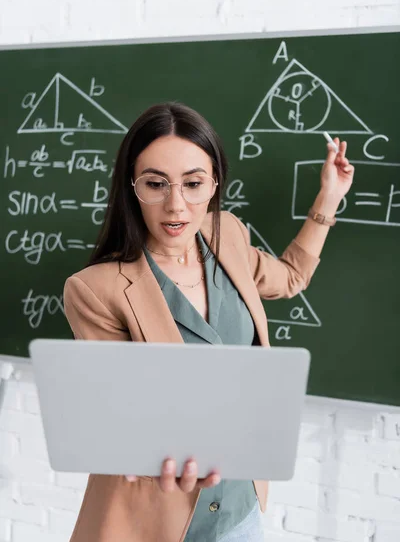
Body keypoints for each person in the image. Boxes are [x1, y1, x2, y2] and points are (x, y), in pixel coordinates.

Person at [63, 102, 354, 542]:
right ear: (132, 187)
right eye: (156, 184)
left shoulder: (228, 234)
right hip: (155, 520)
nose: (176, 205)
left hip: (240, 508)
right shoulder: (95, 290)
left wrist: (329, 197)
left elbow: (290, 277)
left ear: (214, 183)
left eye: (194, 183)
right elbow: (124, 421)